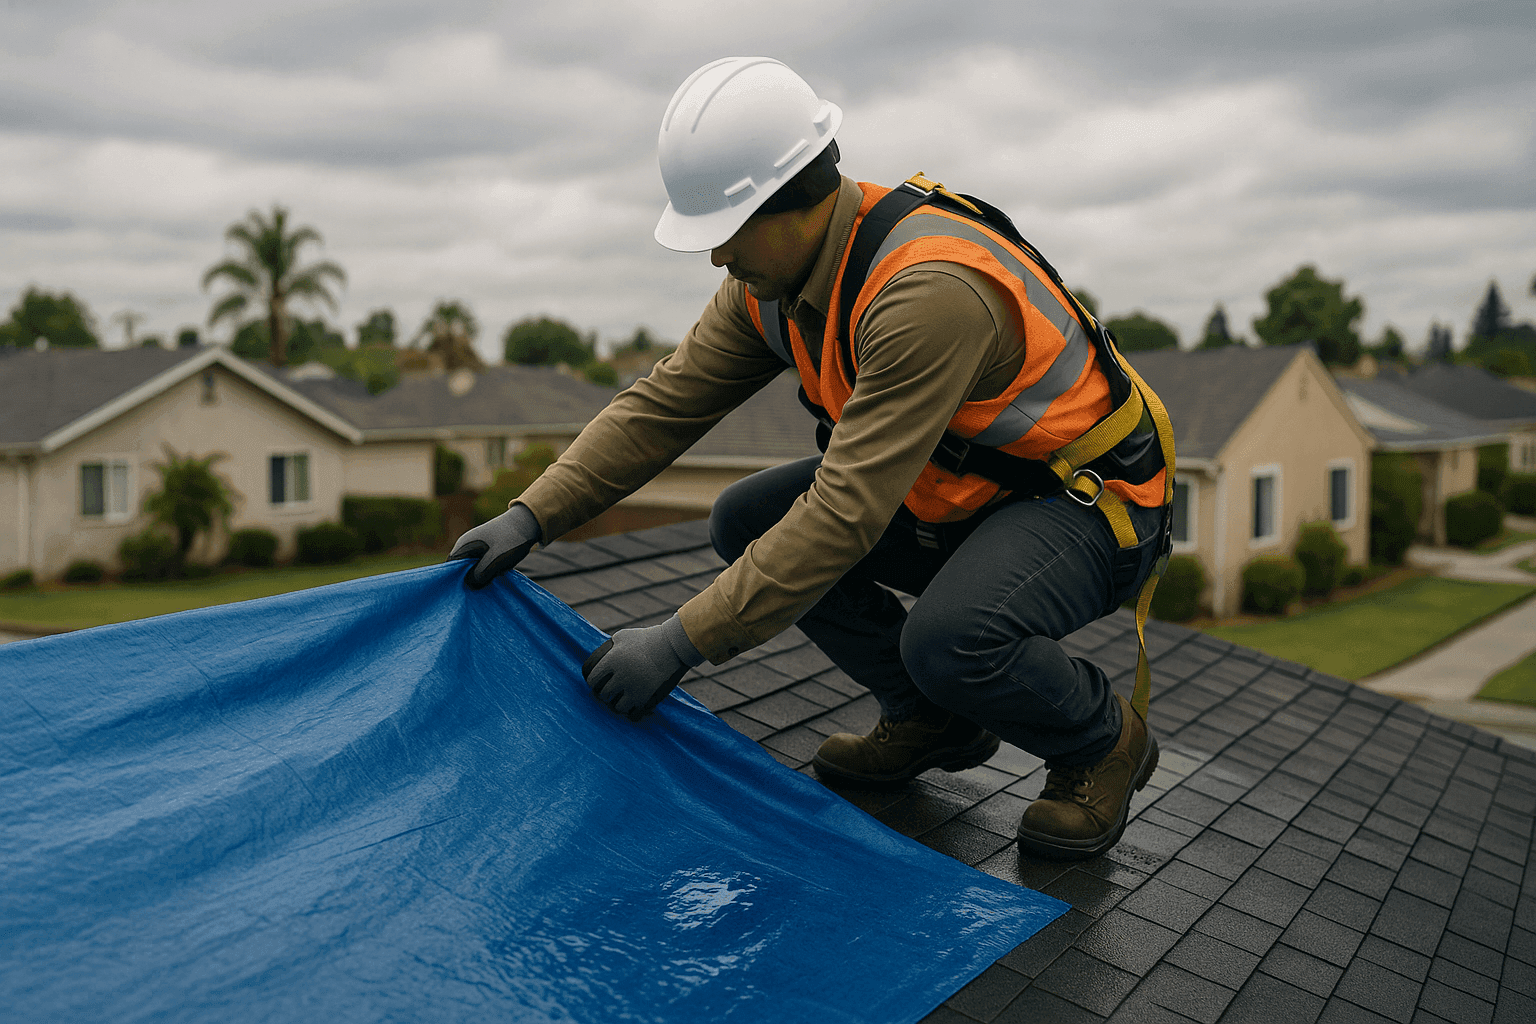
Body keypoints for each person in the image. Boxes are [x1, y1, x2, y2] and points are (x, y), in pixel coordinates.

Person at [450, 56, 1176, 861]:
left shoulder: (926, 293)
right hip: (962, 496)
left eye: (724, 232)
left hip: (1087, 506)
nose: (716, 258)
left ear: (789, 201)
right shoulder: (770, 287)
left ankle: (1100, 743)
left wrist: (678, 643)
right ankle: (931, 719)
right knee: (745, 517)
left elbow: (844, 515)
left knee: (946, 639)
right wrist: (530, 515)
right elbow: (661, 407)